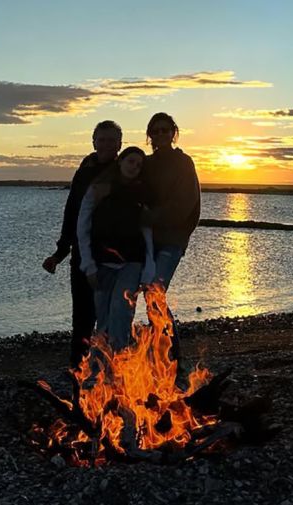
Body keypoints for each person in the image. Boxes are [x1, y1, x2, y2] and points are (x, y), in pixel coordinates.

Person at [42, 120, 122, 368]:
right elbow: (72, 213)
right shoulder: (84, 173)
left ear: (120, 143)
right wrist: (59, 253)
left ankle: (110, 368)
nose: (107, 144)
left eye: (112, 140)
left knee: (111, 315)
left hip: (116, 257)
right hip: (82, 254)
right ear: (94, 142)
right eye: (102, 139)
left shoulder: (127, 171)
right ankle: (78, 367)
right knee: (83, 316)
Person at [140, 112, 200, 384]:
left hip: (171, 241)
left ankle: (174, 359)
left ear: (173, 132)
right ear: (149, 134)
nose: (161, 135)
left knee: (155, 294)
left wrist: (178, 234)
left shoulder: (183, 163)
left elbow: (189, 205)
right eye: (156, 130)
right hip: (146, 241)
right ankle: (161, 357)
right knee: (151, 298)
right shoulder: (145, 164)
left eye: (166, 130)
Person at [76, 146, 155, 352]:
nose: (134, 167)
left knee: (121, 312)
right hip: (101, 262)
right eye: (130, 161)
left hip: (132, 262)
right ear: (120, 161)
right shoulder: (99, 189)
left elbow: (146, 232)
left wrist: (149, 268)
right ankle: (100, 371)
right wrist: (88, 265)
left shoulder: (141, 193)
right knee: (103, 318)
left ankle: (120, 368)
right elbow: (82, 226)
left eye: (139, 165)